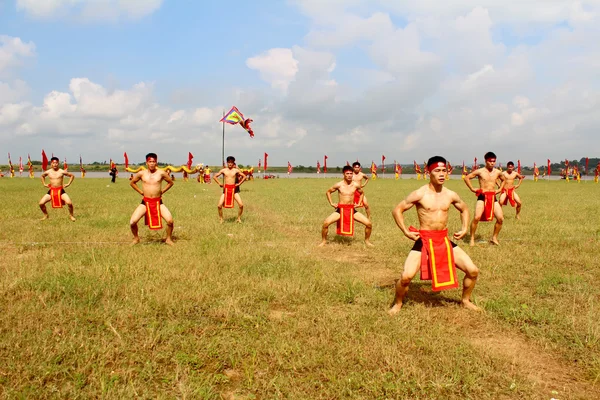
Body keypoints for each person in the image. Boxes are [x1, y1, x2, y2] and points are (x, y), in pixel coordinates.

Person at [389, 156, 479, 315]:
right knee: (406, 277)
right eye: (437, 171)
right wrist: (405, 231)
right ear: (428, 172)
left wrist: (465, 227)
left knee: (473, 271)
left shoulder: (450, 194)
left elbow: (464, 208)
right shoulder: (420, 194)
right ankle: (398, 303)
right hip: (424, 240)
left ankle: (465, 300)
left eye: (444, 170)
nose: (442, 174)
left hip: (443, 240)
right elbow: (398, 210)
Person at [319, 165, 373, 247]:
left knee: (368, 224)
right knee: (326, 223)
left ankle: (367, 241)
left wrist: (358, 203)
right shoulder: (339, 185)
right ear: (343, 174)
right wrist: (331, 203)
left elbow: (362, 193)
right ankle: (323, 241)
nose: (349, 175)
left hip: (352, 210)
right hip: (340, 210)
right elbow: (328, 192)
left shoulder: (355, 185)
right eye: (347, 173)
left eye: (351, 173)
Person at [129, 153, 175, 245]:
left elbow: (170, 182)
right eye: (150, 161)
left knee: (170, 221)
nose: (152, 163)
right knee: (132, 222)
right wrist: (141, 192)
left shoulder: (161, 173)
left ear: (156, 162)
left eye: (154, 161)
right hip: (145, 202)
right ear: (147, 162)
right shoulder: (141, 173)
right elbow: (132, 183)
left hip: (158, 202)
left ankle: (168, 239)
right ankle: (136, 238)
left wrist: (162, 191)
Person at [464, 151, 504, 246]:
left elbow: (504, 180)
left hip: (493, 197)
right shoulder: (480, 171)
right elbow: (467, 178)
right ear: (486, 161)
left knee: (500, 218)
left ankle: (494, 238)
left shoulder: (498, 172)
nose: (492, 163)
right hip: (482, 196)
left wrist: (500, 189)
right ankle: (472, 238)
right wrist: (472, 188)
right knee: (477, 217)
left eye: (494, 161)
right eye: (490, 161)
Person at [39, 156, 76, 221]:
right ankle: (45, 215)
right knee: (41, 203)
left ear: (58, 163)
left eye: (56, 163)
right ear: (51, 164)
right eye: (53, 163)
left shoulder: (62, 171)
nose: (55, 164)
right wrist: (44, 184)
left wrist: (68, 184)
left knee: (69, 203)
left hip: (60, 191)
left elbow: (72, 176)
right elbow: (42, 176)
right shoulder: (48, 172)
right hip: (51, 191)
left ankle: (71, 216)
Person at [213, 156, 247, 223]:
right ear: (227, 162)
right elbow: (214, 176)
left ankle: (238, 218)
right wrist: (219, 183)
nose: (230, 164)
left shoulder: (236, 170)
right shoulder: (224, 170)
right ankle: (221, 219)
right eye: (229, 162)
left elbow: (244, 176)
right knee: (219, 205)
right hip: (226, 190)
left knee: (241, 205)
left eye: (231, 162)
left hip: (234, 190)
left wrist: (239, 184)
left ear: (233, 163)